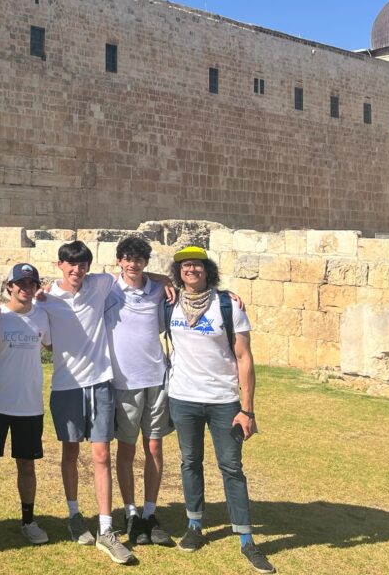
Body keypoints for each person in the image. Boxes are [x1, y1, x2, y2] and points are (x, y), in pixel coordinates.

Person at [166, 246, 275, 574]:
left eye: (197, 266)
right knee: (189, 462)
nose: (191, 271)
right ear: (178, 272)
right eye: (185, 266)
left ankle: (246, 538)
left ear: (207, 270)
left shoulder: (227, 305)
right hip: (182, 397)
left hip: (223, 402)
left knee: (231, 467)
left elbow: (244, 358)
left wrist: (248, 409)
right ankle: (194, 526)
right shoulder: (168, 302)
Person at [36, 240, 135, 565]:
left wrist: (168, 284)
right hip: (66, 387)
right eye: (70, 264)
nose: (76, 270)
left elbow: (136, 275)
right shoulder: (47, 299)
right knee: (70, 451)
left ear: (88, 267)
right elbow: (46, 341)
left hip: (100, 384)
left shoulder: (100, 284)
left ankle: (106, 529)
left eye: (82, 265)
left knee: (102, 453)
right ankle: (75, 514)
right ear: (60, 265)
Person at [0, 263, 51, 547]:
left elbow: (52, 344)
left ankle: (28, 520)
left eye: (31, 284)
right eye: (20, 283)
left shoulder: (43, 317)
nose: (25, 288)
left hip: (29, 405)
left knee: (27, 466)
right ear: (9, 287)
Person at [104, 236, 174, 547]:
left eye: (139, 258)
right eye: (128, 258)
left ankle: (150, 512)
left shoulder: (159, 290)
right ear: (119, 260)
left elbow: (197, 287)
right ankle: (131, 512)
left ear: (146, 262)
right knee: (127, 450)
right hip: (124, 383)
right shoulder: (107, 288)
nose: (133, 263)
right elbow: (69, 283)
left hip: (156, 379)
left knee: (155, 448)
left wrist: (165, 278)